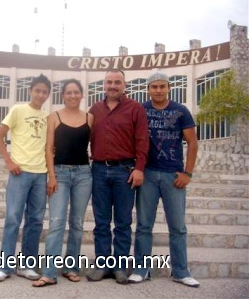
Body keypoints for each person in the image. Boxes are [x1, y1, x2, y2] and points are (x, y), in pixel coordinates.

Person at [128, 71, 200, 287]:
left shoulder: (180, 111)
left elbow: (192, 143)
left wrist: (187, 173)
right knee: (143, 225)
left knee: (177, 226)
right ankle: (141, 269)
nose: (158, 90)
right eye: (154, 87)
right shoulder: (140, 109)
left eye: (162, 86)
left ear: (169, 87)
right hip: (147, 173)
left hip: (173, 175)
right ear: (148, 89)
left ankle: (180, 271)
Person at [86, 69, 149, 285]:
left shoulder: (135, 108)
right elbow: (82, 136)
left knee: (123, 222)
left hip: (125, 171)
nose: (112, 85)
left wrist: (139, 168)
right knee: (101, 222)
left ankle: (120, 267)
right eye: (109, 82)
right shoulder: (94, 109)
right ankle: (102, 265)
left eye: (117, 82)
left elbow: (142, 141)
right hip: (99, 171)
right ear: (104, 84)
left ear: (124, 85)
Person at [32, 79, 94, 287]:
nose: (73, 95)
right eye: (69, 92)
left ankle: (71, 267)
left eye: (77, 92)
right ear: (63, 95)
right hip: (60, 174)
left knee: (77, 223)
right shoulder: (54, 117)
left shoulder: (90, 118)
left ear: (82, 95)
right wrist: (51, 176)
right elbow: (48, 149)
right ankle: (49, 273)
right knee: (57, 222)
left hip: (84, 175)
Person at [0, 74, 51, 282]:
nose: (40, 94)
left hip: (40, 174)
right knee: (13, 218)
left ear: (48, 94)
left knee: (35, 221)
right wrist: (8, 161)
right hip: (19, 173)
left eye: (44, 91)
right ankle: (5, 266)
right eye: (37, 90)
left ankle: (27, 265)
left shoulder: (47, 117)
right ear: (30, 91)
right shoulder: (18, 110)